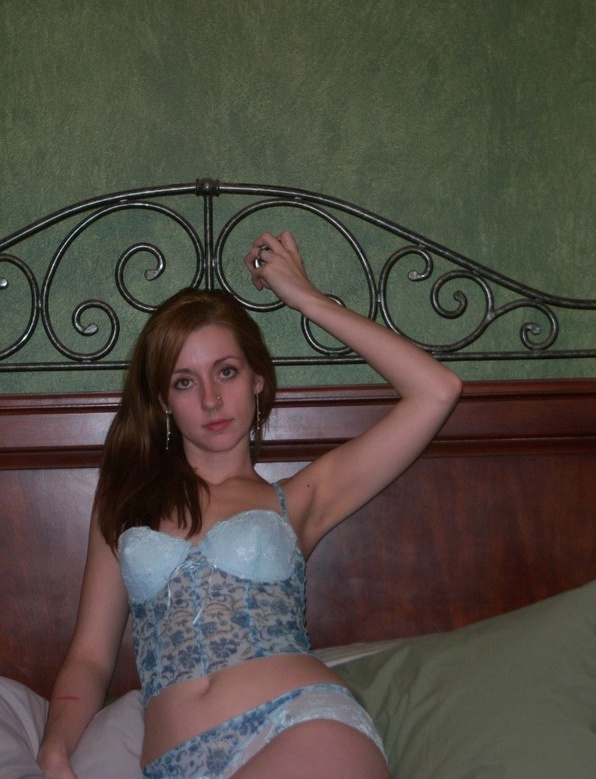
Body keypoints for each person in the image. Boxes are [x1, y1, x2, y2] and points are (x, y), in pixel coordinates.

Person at [37, 231, 462, 779]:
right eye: (184, 382)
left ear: (258, 379)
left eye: (227, 371)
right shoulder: (123, 501)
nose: (211, 399)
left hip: (302, 725)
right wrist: (54, 748)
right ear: (163, 400)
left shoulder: (301, 498)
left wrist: (305, 297)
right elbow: (90, 658)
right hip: (179, 763)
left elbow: (437, 390)